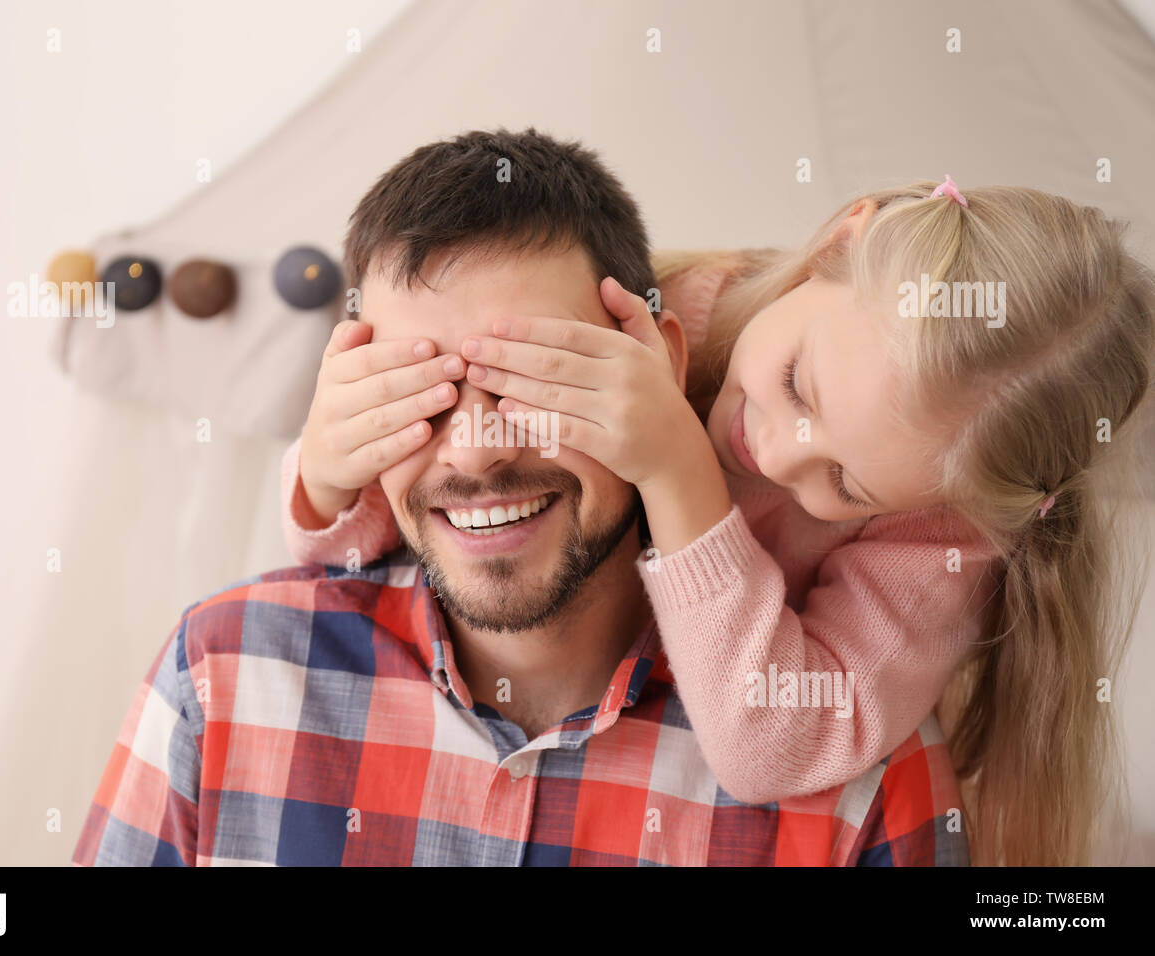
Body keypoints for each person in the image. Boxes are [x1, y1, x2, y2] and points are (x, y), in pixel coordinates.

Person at [73, 128, 968, 866]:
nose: (477, 449)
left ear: (660, 362)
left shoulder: (856, 770)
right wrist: (321, 476)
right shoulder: (221, 679)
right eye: (418, 391)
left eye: (537, 380)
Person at [281, 135, 1155, 866]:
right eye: (797, 386)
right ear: (843, 242)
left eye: (848, 485)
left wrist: (678, 471)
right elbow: (389, 550)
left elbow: (774, 748)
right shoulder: (666, 316)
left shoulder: (941, 536)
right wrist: (326, 472)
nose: (774, 453)